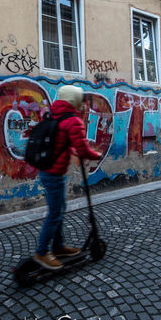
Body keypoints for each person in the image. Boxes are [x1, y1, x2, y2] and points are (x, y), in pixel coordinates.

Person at [33, 85, 103, 270]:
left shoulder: (54, 114)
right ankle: (41, 252)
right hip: (54, 173)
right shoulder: (72, 120)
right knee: (55, 214)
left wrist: (70, 149)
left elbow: (59, 141)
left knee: (59, 211)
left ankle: (58, 247)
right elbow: (83, 149)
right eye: (80, 100)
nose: (82, 104)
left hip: (47, 170)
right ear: (74, 101)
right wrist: (96, 155)